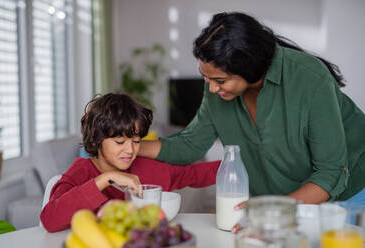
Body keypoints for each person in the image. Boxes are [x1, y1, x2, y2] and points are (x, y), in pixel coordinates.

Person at [138, 12, 365, 208]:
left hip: (351, 192)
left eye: (220, 80)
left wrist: (273, 209)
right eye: (206, 77)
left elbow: (331, 173)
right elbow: (190, 144)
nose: (212, 87)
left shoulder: (309, 77)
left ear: (249, 66)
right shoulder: (218, 88)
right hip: (285, 204)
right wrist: (129, 146)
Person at [40, 93, 220, 232]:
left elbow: (194, 174)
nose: (130, 150)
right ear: (96, 141)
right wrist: (106, 179)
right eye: (120, 142)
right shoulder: (81, 172)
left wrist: (241, 163)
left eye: (136, 141)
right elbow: (49, 219)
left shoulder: (147, 168)